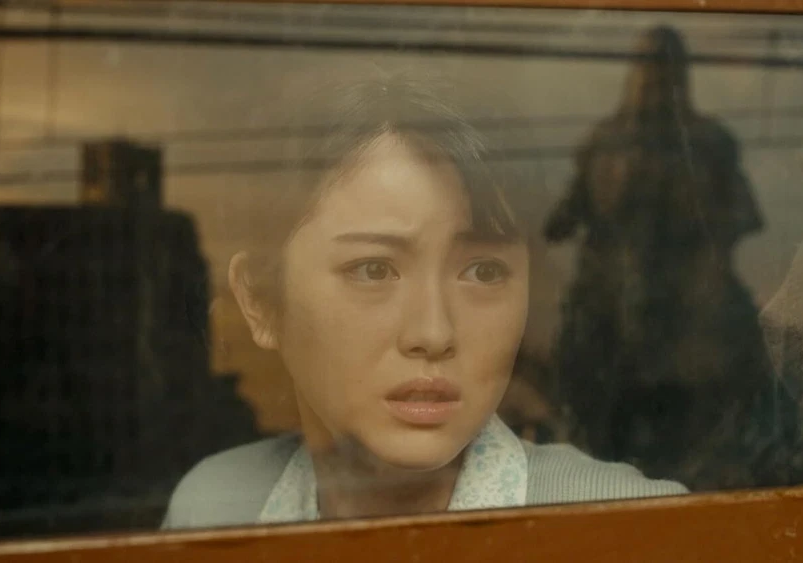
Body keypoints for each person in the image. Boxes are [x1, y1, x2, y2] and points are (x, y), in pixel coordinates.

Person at [161, 67, 686, 529]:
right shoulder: (214, 507)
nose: (433, 333)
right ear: (259, 300)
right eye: (373, 270)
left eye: (484, 271)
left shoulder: (640, 528)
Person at [544, 27, 792, 491]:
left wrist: (697, 242)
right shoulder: (605, 141)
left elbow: (744, 217)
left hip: (687, 313)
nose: (654, 77)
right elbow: (561, 220)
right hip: (610, 309)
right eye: (647, 65)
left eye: (663, 66)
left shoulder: (708, 142)